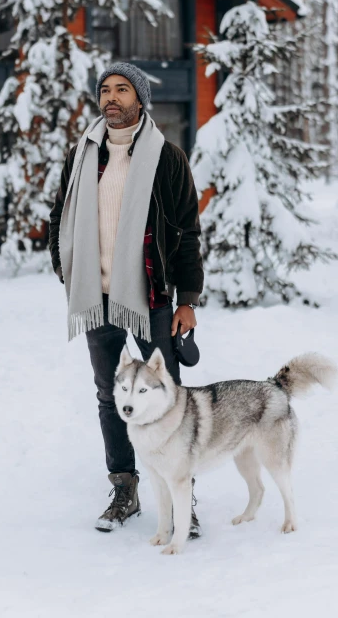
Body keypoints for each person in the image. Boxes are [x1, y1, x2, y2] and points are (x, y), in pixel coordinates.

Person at [48, 62, 204, 535]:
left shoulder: (166, 157)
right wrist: (66, 269)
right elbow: (59, 218)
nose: (111, 98)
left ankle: (181, 500)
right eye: (105, 90)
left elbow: (187, 233)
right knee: (109, 394)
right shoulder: (82, 155)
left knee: (167, 394)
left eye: (122, 89)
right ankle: (125, 488)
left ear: (139, 99)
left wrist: (187, 298)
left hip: (151, 295)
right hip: (97, 297)